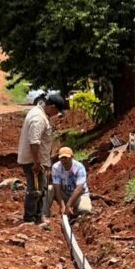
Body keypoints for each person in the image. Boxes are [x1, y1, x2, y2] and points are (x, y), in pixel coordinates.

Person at [17, 91, 67, 224]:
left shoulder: (40, 114)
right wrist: (37, 163)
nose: (56, 115)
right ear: (52, 107)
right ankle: (30, 219)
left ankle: (38, 217)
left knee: (41, 189)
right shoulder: (38, 118)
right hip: (33, 161)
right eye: (57, 112)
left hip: (38, 160)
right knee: (35, 191)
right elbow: (34, 142)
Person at [51, 146, 92, 219]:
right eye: (61, 158)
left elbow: (79, 189)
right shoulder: (56, 167)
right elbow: (57, 187)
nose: (64, 160)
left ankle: (74, 215)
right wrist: (62, 205)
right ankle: (45, 214)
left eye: (66, 158)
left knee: (85, 209)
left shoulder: (79, 168)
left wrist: (68, 205)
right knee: (50, 189)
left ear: (71, 157)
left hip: (79, 195)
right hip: (64, 194)